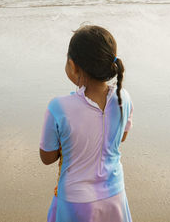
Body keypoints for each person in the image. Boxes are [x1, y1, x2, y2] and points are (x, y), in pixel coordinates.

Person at [39, 25, 134, 222]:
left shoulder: (59, 107)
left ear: (73, 66)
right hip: (115, 195)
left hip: (75, 202)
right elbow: (121, 137)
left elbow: (47, 157)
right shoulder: (123, 97)